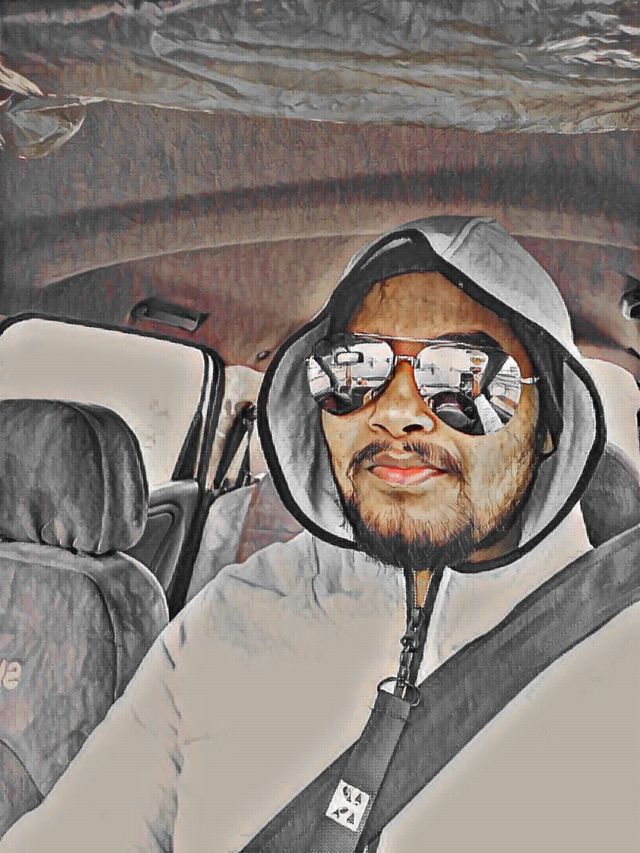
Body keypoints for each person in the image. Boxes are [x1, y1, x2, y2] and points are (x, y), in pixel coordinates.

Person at [2, 216, 639, 852]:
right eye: (356, 369)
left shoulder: (616, 643)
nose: (395, 412)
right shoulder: (231, 615)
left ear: (550, 422)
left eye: (463, 376)